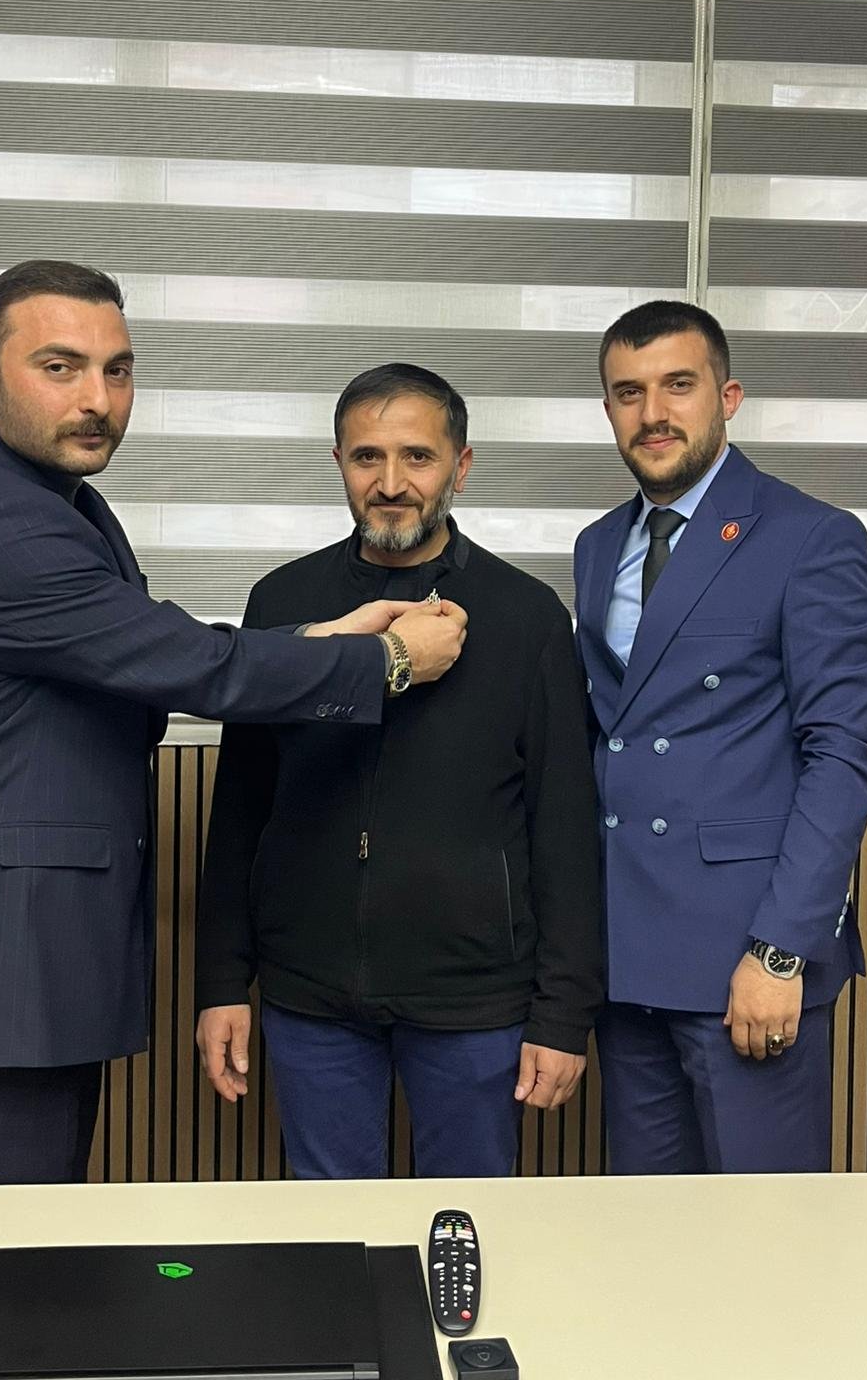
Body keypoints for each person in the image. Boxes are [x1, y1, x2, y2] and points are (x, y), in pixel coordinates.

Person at [0, 261, 466, 1187]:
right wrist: (387, 661)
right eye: (60, 367)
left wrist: (322, 636)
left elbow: (132, 647)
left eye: (118, 369)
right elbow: (189, 664)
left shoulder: (49, 500)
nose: (97, 399)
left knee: (28, 1260)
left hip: (16, 973)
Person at [195, 363, 603, 1179]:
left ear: (461, 466)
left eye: (417, 456)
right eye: (366, 457)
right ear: (338, 463)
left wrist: (563, 1013)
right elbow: (241, 808)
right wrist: (220, 981)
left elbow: (564, 824)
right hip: (309, 991)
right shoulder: (283, 603)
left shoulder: (527, 616)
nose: (390, 484)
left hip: (475, 995)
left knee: (467, 1220)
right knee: (332, 1227)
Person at [573, 300, 867, 1174]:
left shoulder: (810, 536)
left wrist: (780, 952)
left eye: (679, 385)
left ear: (728, 396)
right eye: (628, 393)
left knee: (763, 1229)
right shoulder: (597, 545)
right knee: (649, 1225)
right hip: (627, 955)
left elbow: (843, 758)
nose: (653, 413)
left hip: (746, 958)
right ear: (608, 411)